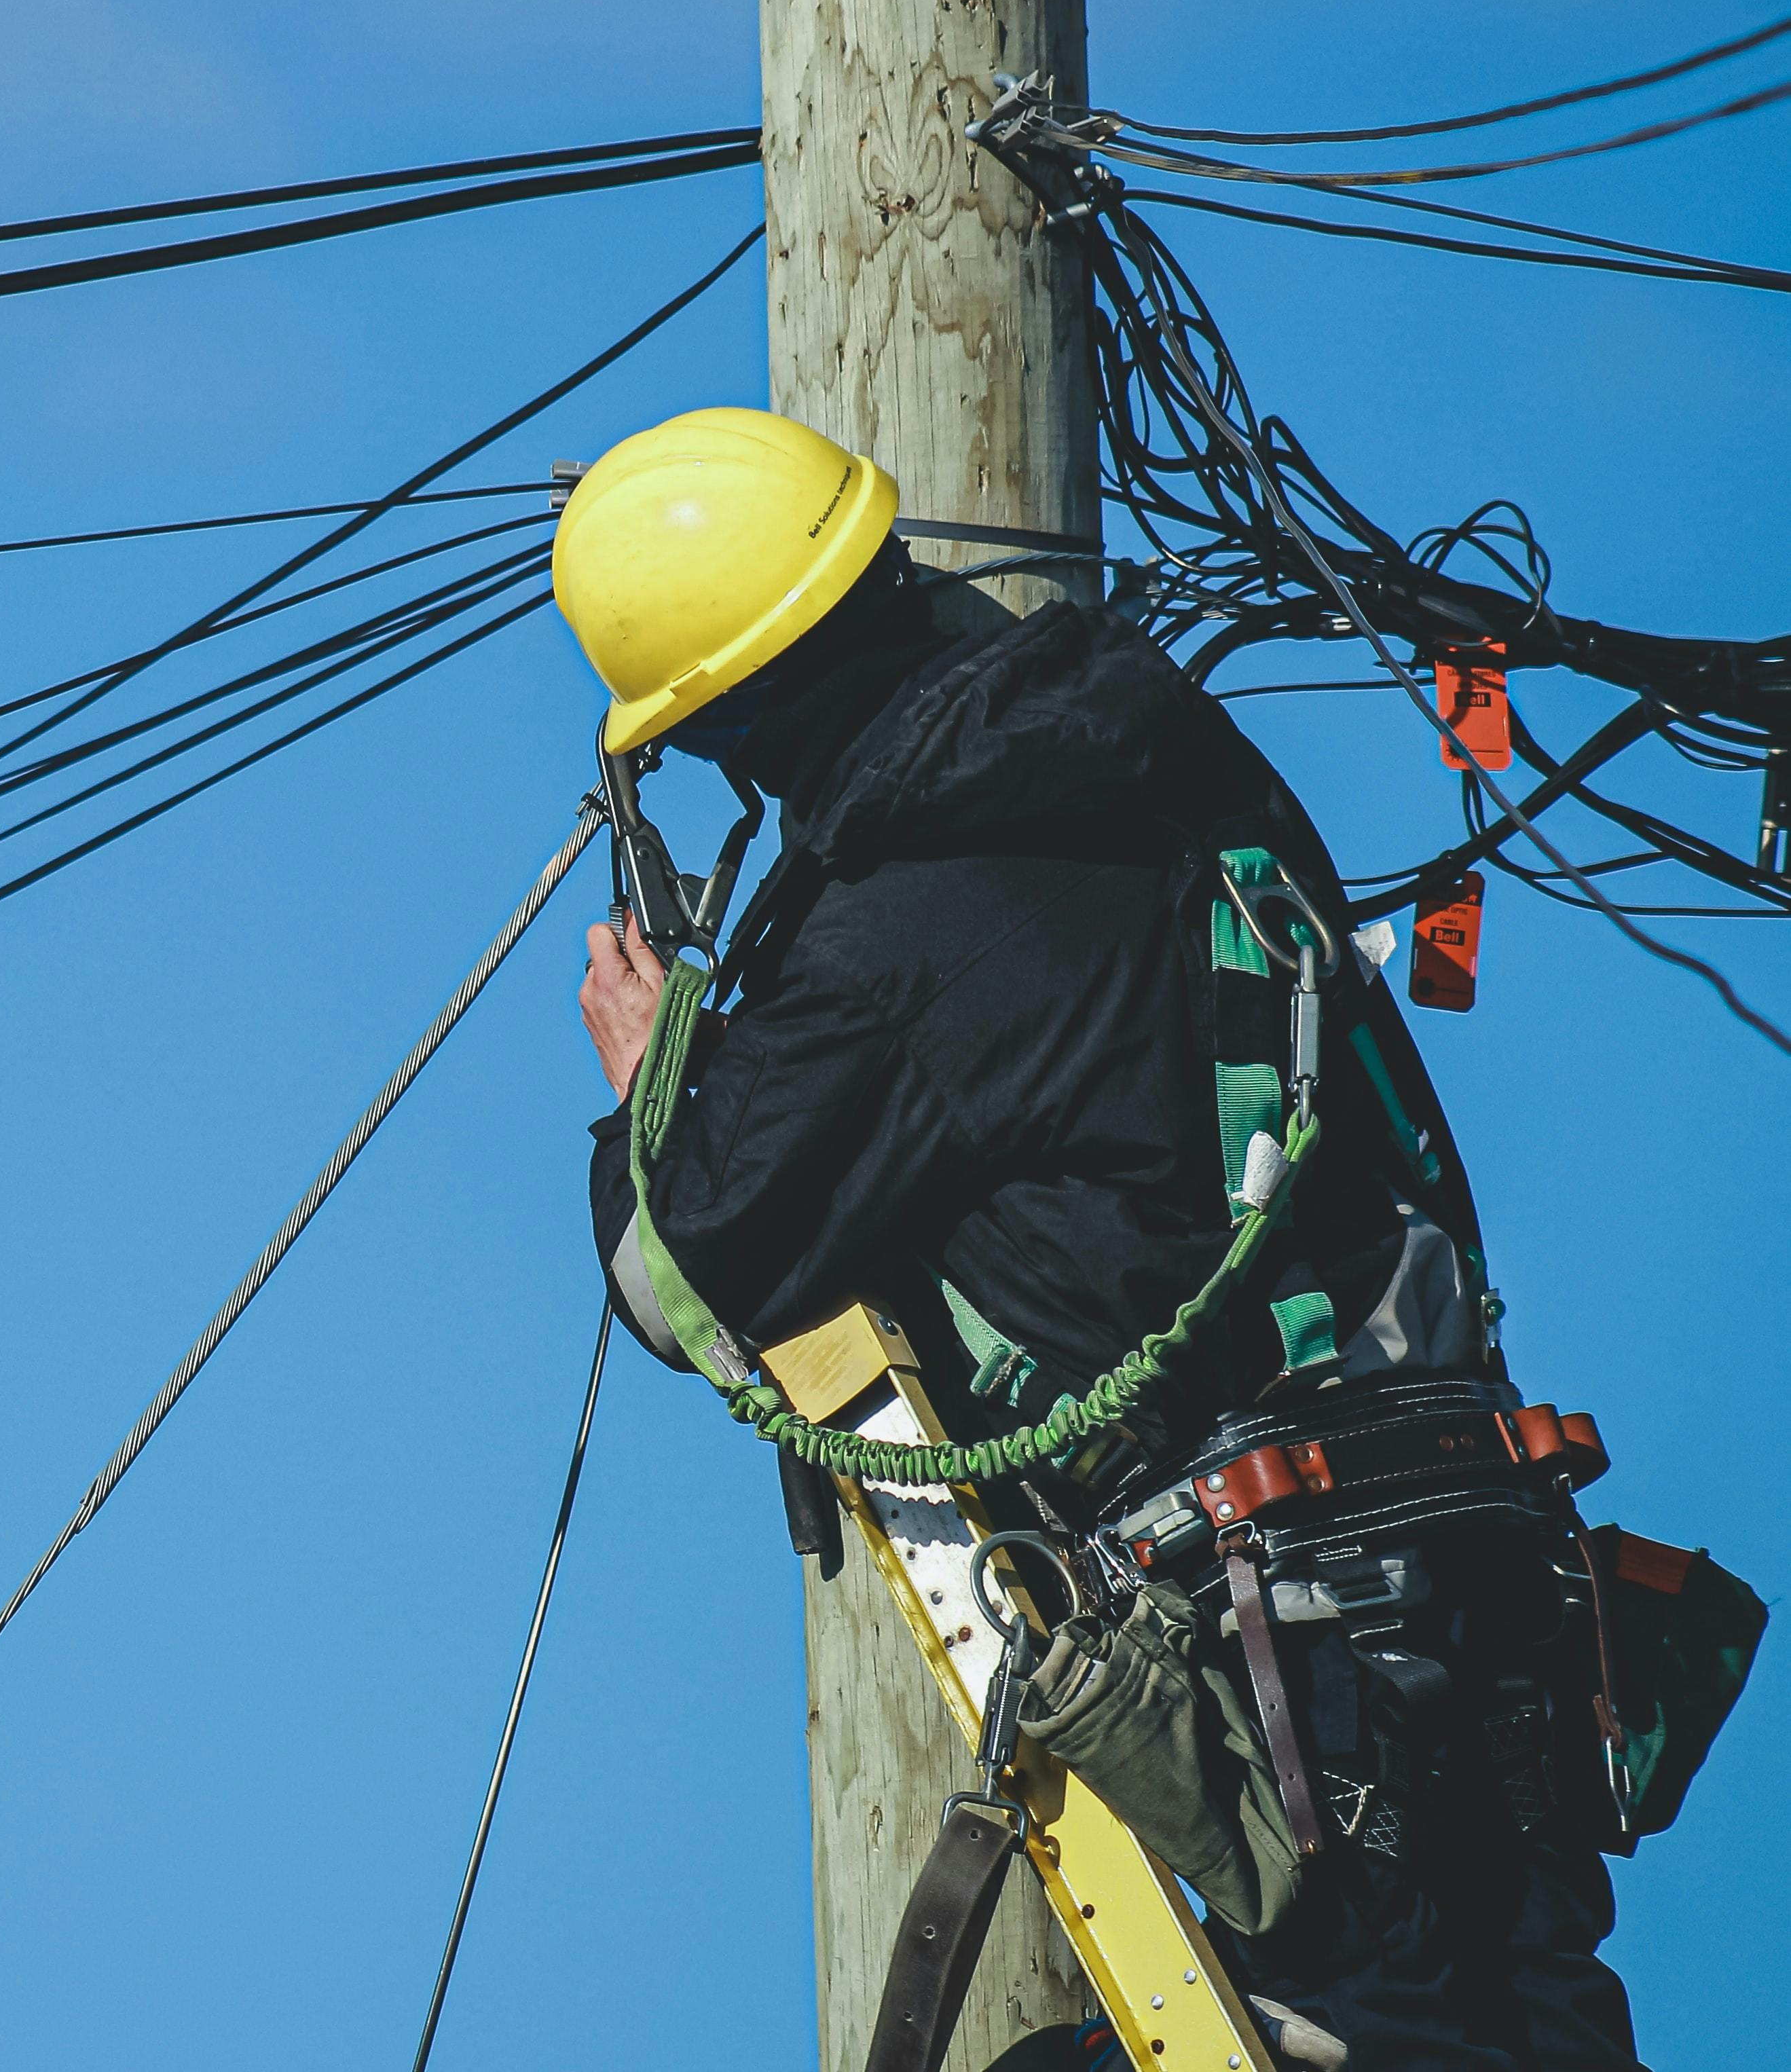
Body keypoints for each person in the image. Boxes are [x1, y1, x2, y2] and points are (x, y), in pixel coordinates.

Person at [558, 408, 1644, 2071]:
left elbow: (691, 1266)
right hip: (1480, 1541)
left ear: (715, 723)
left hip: (1280, 1621)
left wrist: (650, 1090)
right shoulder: (1165, 751)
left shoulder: (891, 928)